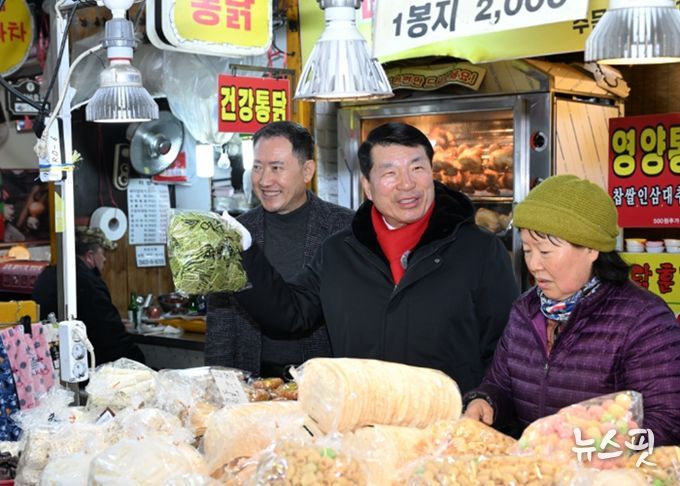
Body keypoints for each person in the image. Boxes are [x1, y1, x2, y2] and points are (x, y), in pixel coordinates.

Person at [228, 122, 518, 393]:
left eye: (417, 168)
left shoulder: (480, 251)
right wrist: (244, 252)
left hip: (448, 421)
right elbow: (289, 313)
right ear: (367, 187)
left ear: (432, 173)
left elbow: (507, 347)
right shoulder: (339, 252)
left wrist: (487, 398)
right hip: (362, 418)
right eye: (390, 173)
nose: (407, 184)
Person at [463, 175, 680, 445]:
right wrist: (486, 402)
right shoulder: (526, 311)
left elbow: (667, 421)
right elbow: (501, 385)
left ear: (591, 249)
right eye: (528, 250)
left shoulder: (644, 320)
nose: (534, 264)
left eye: (545, 251)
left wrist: (586, 447)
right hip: (537, 465)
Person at [205, 121, 353, 377]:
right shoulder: (237, 233)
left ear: (307, 171)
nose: (264, 180)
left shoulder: (344, 227)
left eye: (276, 168)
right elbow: (221, 317)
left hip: (324, 379)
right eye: (257, 167)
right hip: (252, 378)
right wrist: (218, 378)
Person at [32, 227, 145, 365]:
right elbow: (108, 334)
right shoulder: (89, 283)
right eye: (103, 253)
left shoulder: (48, 274)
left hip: (49, 358)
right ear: (90, 256)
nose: (105, 259)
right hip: (83, 361)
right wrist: (137, 359)